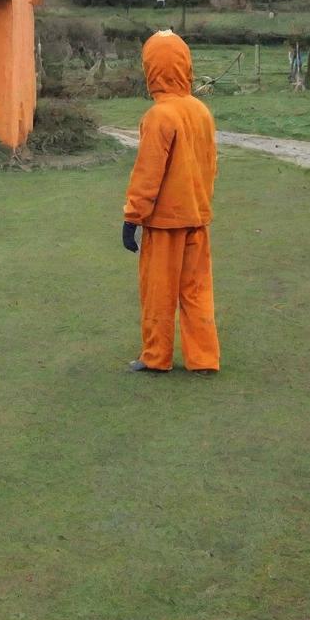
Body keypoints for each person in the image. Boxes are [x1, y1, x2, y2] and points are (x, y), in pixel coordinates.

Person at [122, 30, 220, 373]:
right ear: (186, 66)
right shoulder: (202, 112)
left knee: (158, 293)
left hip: (165, 224)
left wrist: (132, 217)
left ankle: (156, 356)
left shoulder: (159, 116)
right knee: (196, 291)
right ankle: (204, 357)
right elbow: (211, 164)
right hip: (197, 216)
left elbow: (148, 174)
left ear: (151, 68)